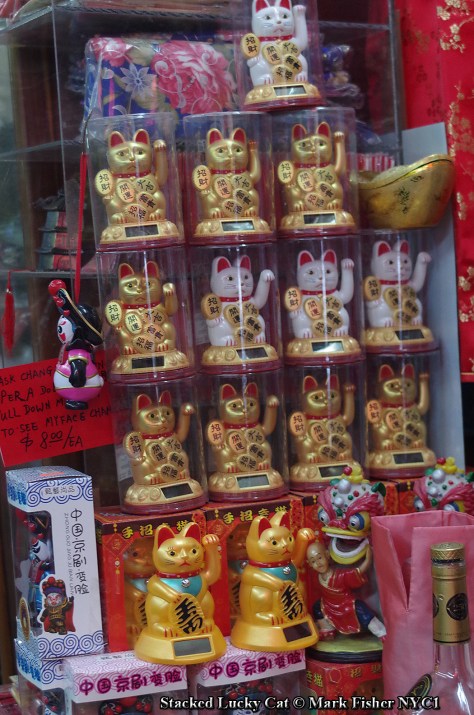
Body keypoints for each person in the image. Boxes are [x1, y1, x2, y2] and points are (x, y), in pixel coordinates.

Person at [307, 541, 386, 640]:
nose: (318, 563)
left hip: (346, 604)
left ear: (327, 555)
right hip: (328, 605)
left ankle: (381, 632)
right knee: (317, 607)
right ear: (310, 564)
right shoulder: (316, 577)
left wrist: (368, 560)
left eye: (319, 558)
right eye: (313, 561)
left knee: (360, 609)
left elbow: (357, 572)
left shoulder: (339, 575)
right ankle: (327, 629)